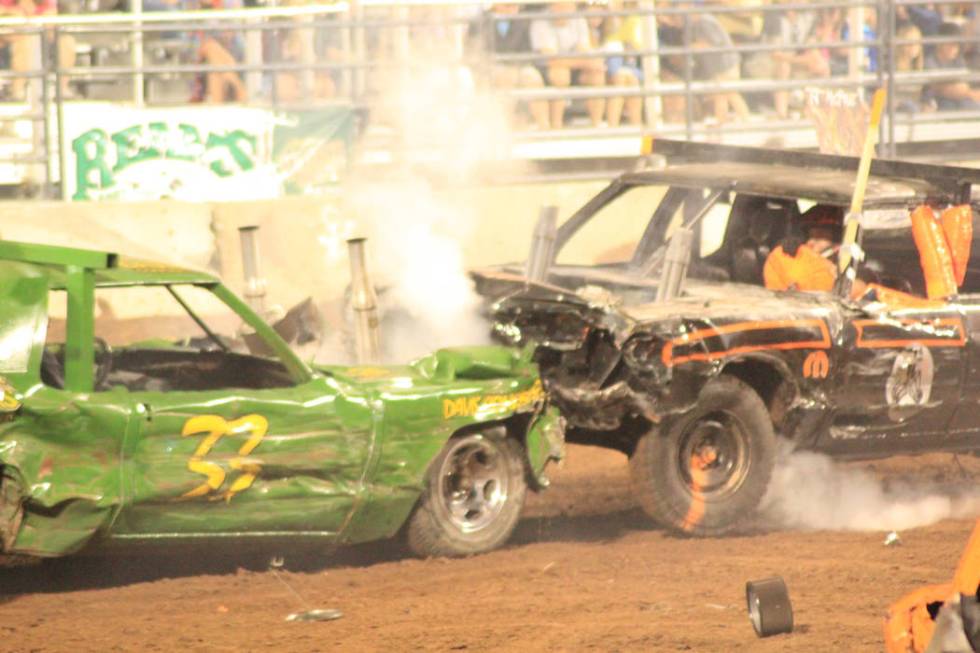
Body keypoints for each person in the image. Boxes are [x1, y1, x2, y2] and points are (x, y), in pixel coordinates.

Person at [471, 3, 550, 129]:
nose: (513, 10)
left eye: (515, 6)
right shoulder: (481, 22)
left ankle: (544, 125)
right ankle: (506, 126)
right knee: (506, 77)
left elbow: (527, 50)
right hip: (490, 67)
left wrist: (515, 65)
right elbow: (474, 51)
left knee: (533, 77)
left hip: (517, 65)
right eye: (508, 5)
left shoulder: (522, 22)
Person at [530, 1, 606, 128]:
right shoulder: (540, 22)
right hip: (546, 68)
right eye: (560, 5)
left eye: (569, 5)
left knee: (596, 72)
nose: (565, 9)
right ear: (552, 5)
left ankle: (597, 124)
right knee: (560, 73)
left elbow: (584, 50)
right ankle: (556, 126)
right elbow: (551, 58)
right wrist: (584, 62)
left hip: (573, 65)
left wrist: (590, 62)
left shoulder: (578, 19)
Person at [0, 0, 76, 100]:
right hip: (11, 36)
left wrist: (29, 18)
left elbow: (51, 22)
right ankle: (17, 90)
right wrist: (14, 14)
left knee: (67, 41)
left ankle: (61, 89)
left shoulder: (46, 2)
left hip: (40, 36)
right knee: (25, 41)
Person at [763, 204, 842, 293]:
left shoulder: (850, 267)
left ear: (837, 241)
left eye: (820, 235)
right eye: (810, 235)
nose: (811, 241)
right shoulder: (786, 257)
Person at [922, 22, 980, 111]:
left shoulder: (958, 61)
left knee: (971, 106)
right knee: (948, 106)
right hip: (938, 101)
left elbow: (962, 85)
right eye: (950, 44)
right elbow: (938, 88)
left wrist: (965, 92)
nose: (954, 48)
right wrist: (970, 93)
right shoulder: (930, 61)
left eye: (956, 45)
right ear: (939, 43)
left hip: (960, 99)